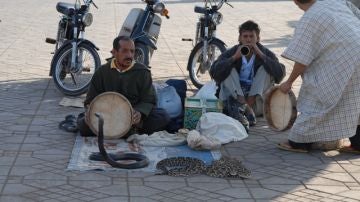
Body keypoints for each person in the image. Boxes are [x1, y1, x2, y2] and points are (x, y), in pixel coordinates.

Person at [278, 0, 360, 153]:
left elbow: (302, 58)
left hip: (343, 59)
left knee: (317, 98)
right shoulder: (336, 2)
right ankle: (358, 143)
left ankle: (299, 142)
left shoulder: (310, 18)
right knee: (356, 98)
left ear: (295, 2)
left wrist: (289, 82)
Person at [78, 36, 170, 137]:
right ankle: (127, 131)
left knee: (163, 116)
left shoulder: (142, 72)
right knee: (83, 124)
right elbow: (90, 100)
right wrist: (89, 112)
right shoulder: (102, 72)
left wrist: (139, 113)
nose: (129, 55)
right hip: (108, 115)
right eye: (125, 51)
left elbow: (149, 100)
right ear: (114, 52)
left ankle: (129, 128)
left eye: (132, 51)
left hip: (132, 116)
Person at [210, 20, 285, 127]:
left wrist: (261, 56)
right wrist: (234, 58)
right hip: (235, 103)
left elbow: (280, 74)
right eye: (245, 36)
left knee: (265, 69)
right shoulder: (233, 52)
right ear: (240, 38)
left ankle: (247, 108)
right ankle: (245, 108)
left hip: (257, 104)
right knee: (228, 68)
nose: (248, 39)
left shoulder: (264, 52)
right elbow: (214, 72)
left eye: (251, 36)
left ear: (258, 38)